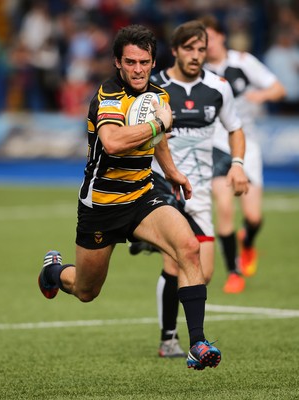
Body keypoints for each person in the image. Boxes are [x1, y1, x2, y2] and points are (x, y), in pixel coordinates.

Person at [38, 24, 222, 371]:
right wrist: (158, 125)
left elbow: (160, 141)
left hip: (141, 196)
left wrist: (171, 171)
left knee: (189, 247)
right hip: (102, 207)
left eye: (144, 62)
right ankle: (53, 272)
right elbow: (113, 142)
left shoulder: (157, 96)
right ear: (117, 63)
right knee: (86, 291)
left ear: (153, 62)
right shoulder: (108, 95)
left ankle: (197, 343)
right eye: (131, 62)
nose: (138, 69)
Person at [129, 20, 249, 357]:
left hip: (196, 191)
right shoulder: (154, 88)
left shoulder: (218, 87)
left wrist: (237, 165)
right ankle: (171, 340)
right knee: (177, 258)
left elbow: (235, 128)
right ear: (176, 50)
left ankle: (149, 241)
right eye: (188, 49)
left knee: (203, 271)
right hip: (159, 187)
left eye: (201, 49)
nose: (195, 55)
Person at [199, 15, 286, 292]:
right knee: (223, 205)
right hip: (215, 143)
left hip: (246, 142)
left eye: (210, 37)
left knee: (254, 217)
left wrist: (260, 96)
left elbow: (278, 88)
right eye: (202, 40)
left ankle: (247, 242)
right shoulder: (199, 70)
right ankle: (234, 271)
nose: (206, 44)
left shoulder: (243, 62)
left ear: (222, 36)